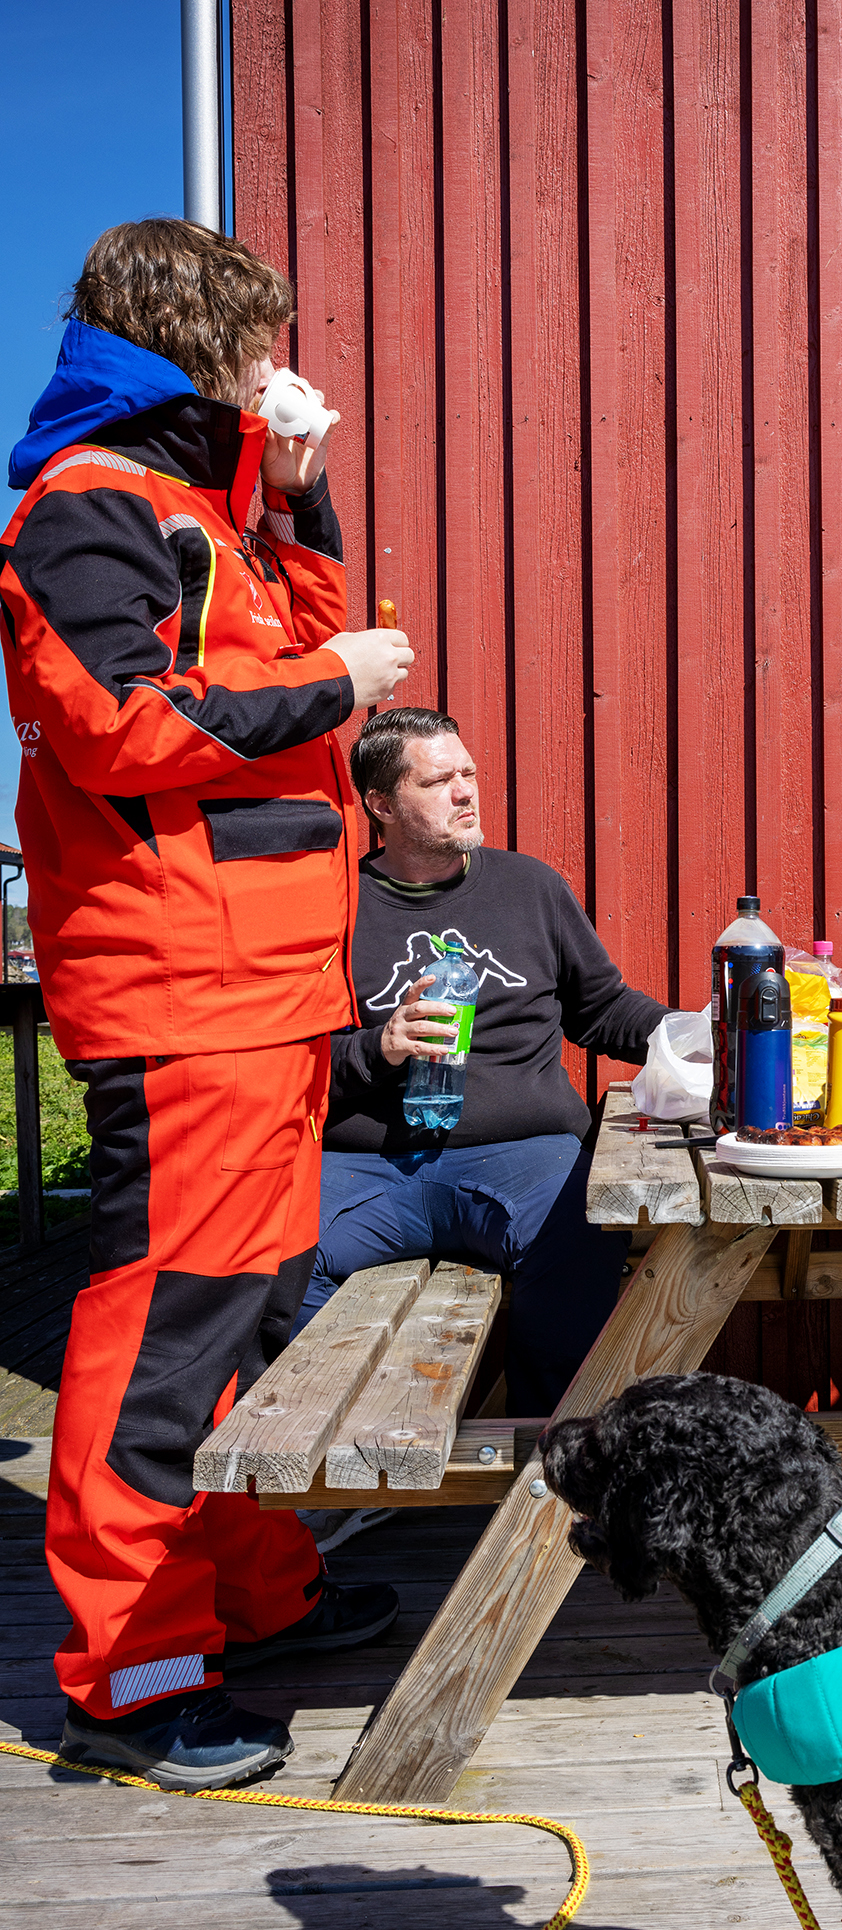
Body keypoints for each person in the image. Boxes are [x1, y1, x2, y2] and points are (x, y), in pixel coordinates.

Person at [0, 220, 416, 1788]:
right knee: (165, 1327)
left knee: (244, 1311)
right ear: (204, 349)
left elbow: (296, 645)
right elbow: (118, 720)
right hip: (181, 985)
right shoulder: (87, 506)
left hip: (264, 980)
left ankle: (254, 1591)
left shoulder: (206, 512)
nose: (280, 374)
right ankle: (133, 1670)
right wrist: (338, 691)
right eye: (261, 350)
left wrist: (297, 493)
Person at [298, 707, 672, 1420]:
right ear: (380, 803)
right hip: (366, 1164)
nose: (466, 791)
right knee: (273, 1255)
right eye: (439, 780)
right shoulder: (332, 906)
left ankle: (549, 1468)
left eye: (468, 772)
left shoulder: (528, 887)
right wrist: (379, 1045)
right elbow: (291, 1053)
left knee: (583, 1233)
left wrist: (701, 1036)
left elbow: (602, 1010)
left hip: (520, 1156)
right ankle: (321, 1473)